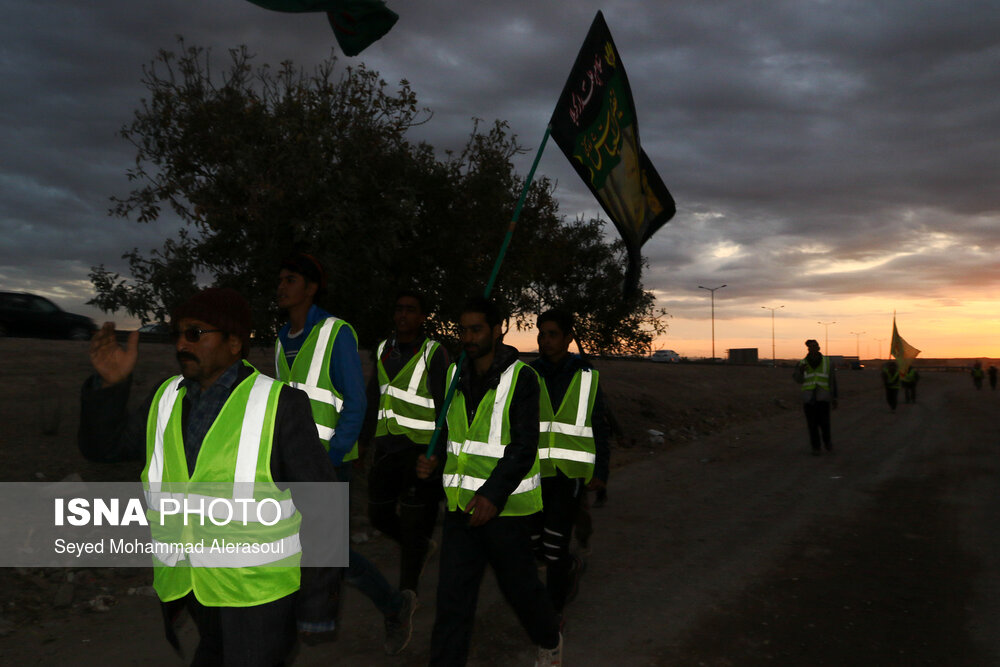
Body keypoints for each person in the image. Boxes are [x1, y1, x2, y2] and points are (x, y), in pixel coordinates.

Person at [79, 288, 338, 667]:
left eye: (196, 333)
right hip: (196, 588)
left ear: (234, 342)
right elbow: (102, 449)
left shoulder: (278, 404)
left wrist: (317, 607)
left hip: (257, 601)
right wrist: (110, 386)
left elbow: (324, 508)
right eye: (178, 334)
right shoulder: (166, 398)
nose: (182, 344)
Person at [274, 253, 413, 654]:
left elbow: (356, 403)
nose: (281, 286)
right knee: (311, 550)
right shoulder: (282, 338)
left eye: (290, 279)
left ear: (312, 287)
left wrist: (334, 456)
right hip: (291, 466)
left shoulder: (337, 333)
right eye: (280, 279)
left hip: (327, 467)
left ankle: (393, 606)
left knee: (329, 555)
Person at [417, 297, 562, 666]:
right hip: (460, 511)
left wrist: (492, 495)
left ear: (499, 329)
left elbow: (523, 447)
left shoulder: (523, 378)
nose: (468, 337)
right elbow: (452, 437)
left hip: (506, 512)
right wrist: (431, 463)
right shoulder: (453, 376)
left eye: (476, 329)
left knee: (521, 590)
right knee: (452, 601)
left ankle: (549, 638)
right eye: (462, 329)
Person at [364, 290, 449, 602]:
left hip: (420, 455)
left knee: (414, 522)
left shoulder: (433, 353)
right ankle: (420, 546)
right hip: (387, 449)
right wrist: (363, 443)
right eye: (399, 309)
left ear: (423, 316)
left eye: (411, 310)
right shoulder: (384, 350)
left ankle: (405, 598)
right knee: (378, 515)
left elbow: (445, 409)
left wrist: (437, 455)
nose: (403, 315)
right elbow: (374, 396)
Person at [530, 309, 610, 619]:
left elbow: (598, 425)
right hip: (536, 473)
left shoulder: (585, 375)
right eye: (541, 334)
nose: (544, 340)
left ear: (568, 338)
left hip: (570, 474)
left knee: (555, 543)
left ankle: (553, 616)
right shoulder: (529, 374)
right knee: (534, 543)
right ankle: (570, 569)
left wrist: (600, 471)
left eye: (552, 334)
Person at [792, 339, 838, 455]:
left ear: (819, 348)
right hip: (809, 399)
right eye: (811, 346)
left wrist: (834, 398)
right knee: (812, 425)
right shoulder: (802, 363)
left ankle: (827, 442)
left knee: (825, 423)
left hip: (823, 397)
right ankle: (816, 447)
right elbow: (798, 380)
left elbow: (832, 381)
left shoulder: (828, 362)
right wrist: (801, 372)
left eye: (815, 346)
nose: (813, 348)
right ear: (808, 349)